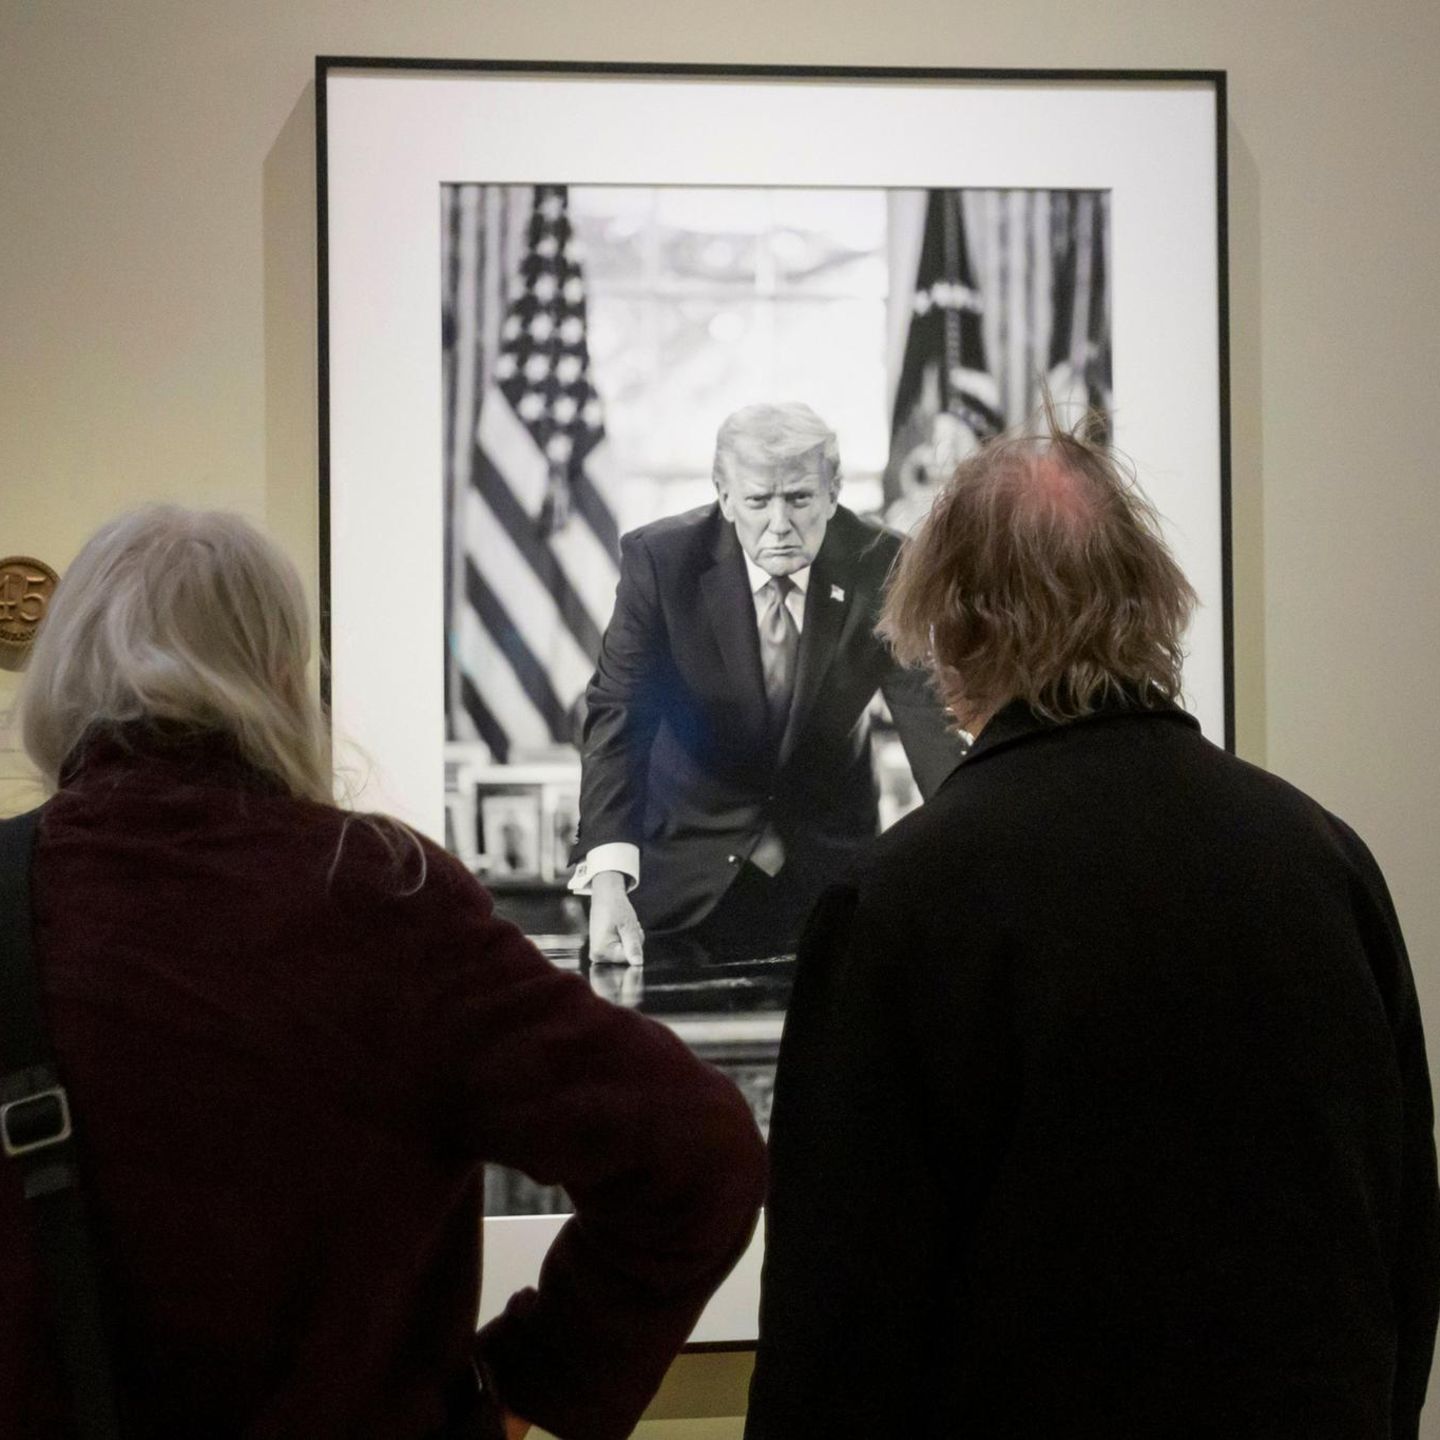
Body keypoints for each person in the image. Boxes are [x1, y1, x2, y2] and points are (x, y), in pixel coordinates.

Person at [0, 506, 766, 1440]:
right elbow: (699, 1150)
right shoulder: (380, 900)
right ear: (285, 676)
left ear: (61, 673)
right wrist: (528, 1384)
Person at [746, 413, 1440, 1438]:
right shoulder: (1321, 859)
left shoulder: (897, 901)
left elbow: (836, 1323)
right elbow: (1403, 1240)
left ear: (951, 630)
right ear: (1149, 606)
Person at [571, 402, 967, 964]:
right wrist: (608, 881)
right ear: (725, 496)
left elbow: (933, 725)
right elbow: (618, 716)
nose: (779, 524)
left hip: (829, 875)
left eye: (800, 498)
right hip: (682, 877)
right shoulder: (662, 562)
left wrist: (981, 861)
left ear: (833, 492)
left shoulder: (884, 564)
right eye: (758, 500)